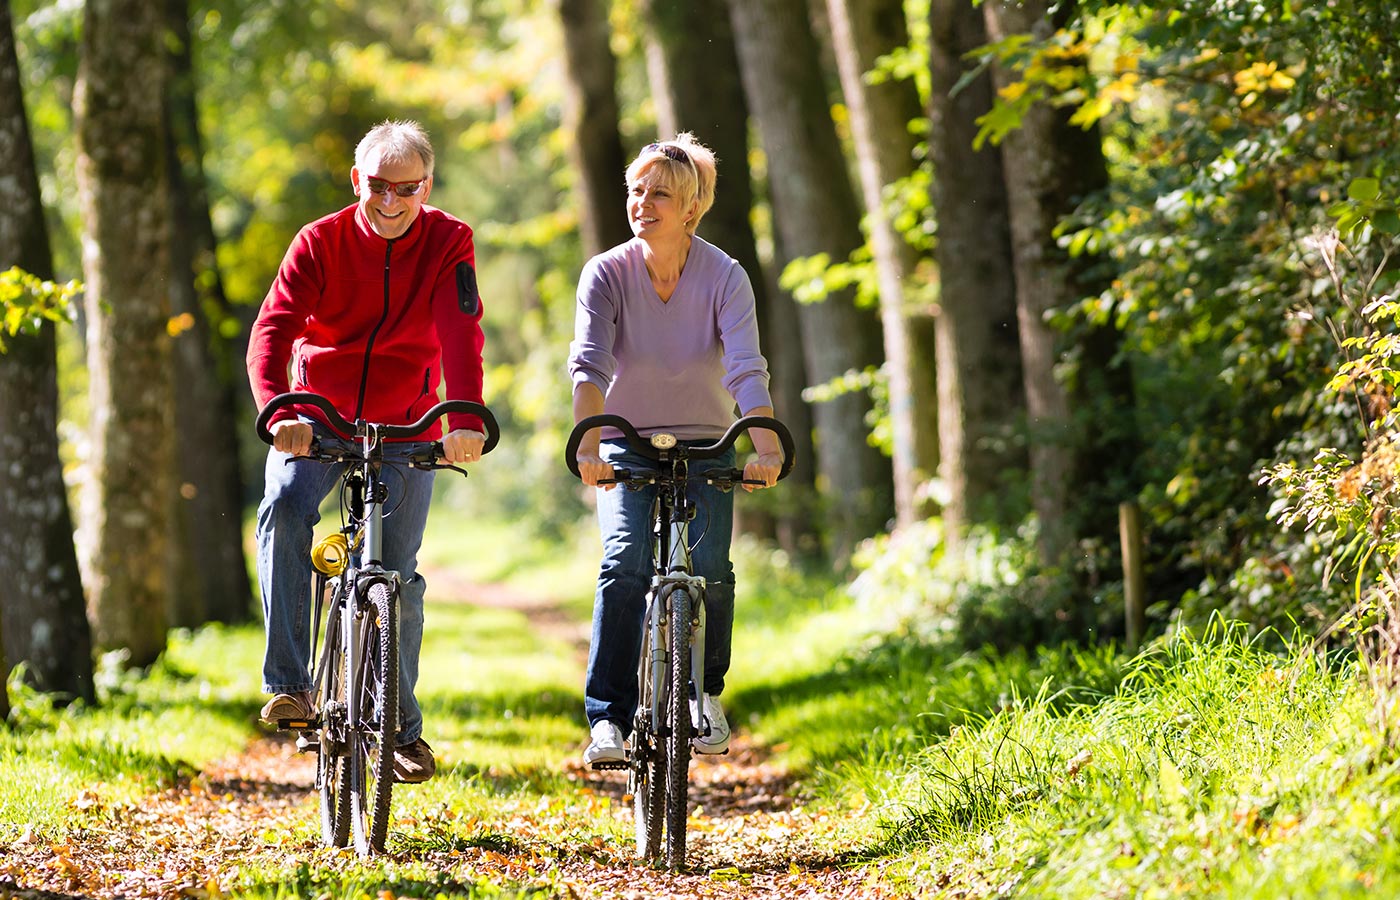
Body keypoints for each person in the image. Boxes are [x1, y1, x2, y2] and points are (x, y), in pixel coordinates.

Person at [247, 120, 487, 784]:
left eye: (406, 189)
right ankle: (291, 683)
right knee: (288, 506)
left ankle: (400, 728)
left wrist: (463, 416)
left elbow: (460, 330)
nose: (390, 201)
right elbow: (274, 330)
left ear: (426, 186)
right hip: (314, 415)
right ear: (358, 180)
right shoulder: (318, 241)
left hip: (407, 422)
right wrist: (280, 409)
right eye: (378, 186)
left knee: (398, 577)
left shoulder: (448, 240)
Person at [568, 133, 784, 768]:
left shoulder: (725, 276)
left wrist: (765, 447)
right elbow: (589, 368)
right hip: (627, 446)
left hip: (708, 443)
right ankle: (607, 717)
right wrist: (588, 442)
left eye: (659, 193)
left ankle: (705, 693)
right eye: (636, 191)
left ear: (690, 209)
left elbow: (747, 369)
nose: (642, 202)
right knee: (623, 563)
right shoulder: (606, 273)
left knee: (712, 569)